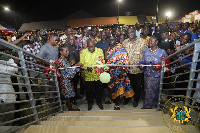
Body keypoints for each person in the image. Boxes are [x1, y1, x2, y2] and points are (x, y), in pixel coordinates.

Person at [104, 35, 134, 110]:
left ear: (116, 40)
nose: (111, 41)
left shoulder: (120, 48)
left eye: (113, 39)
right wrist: (106, 69)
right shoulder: (106, 49)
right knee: (111, 87)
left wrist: (123, 70)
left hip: (119, 71)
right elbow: (105, 61)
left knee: (118, 87)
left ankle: (116, 104)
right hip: (110, 72)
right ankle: (113, 99)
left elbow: (125, 60)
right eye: (110, 40)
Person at [138, 35, 168, 109]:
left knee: (153, 92)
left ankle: (151, 107)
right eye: (149, 40)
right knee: (147, 91)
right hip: (147, 76)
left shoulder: (162, 52)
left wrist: (157, 67)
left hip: (156, 77)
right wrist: (141, 65)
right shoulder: (146, 51)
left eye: (151, 40)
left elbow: (166, 65)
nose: (149, 42)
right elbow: (143, 61)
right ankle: (148, 107)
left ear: (156, 42)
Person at [122, 26, 147, 107]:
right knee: (128, 85)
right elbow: (122, 55)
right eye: (128, 33)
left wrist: (143, 63)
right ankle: (128, 98)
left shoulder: (142, 41)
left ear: (135, 32)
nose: (130, 34)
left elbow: (146, 54)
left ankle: (136, 99)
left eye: (132, 32)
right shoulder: (125, 42)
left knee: (137, 86)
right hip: (128, 69)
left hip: (138, 70)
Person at [80, 38, 104, 111]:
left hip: (98, 75)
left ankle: (99, 101)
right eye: (89, 47)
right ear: (87, 46)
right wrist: (86, 67)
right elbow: (82, 63)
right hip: (88, 75)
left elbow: (102, 61)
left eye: (92, 46)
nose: (91, 48)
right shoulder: (83, 52)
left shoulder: (99, 51)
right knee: (89, 90)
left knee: (99, 90)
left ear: (95, 45)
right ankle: (90, 103)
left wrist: (97, 66)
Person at [58, 45, 83, 111]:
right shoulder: (61, 61)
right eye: (66, 51)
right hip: (65, 81)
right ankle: (70, 109)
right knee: (68, 96)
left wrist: (76, 67)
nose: (68, 52)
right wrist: (77, 66)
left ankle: (70, 107)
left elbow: (70, 69)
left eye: (68, 51)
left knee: (69, 95)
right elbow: (70, 73)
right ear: (61, 52)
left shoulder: (65, 59)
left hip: (68, 80)